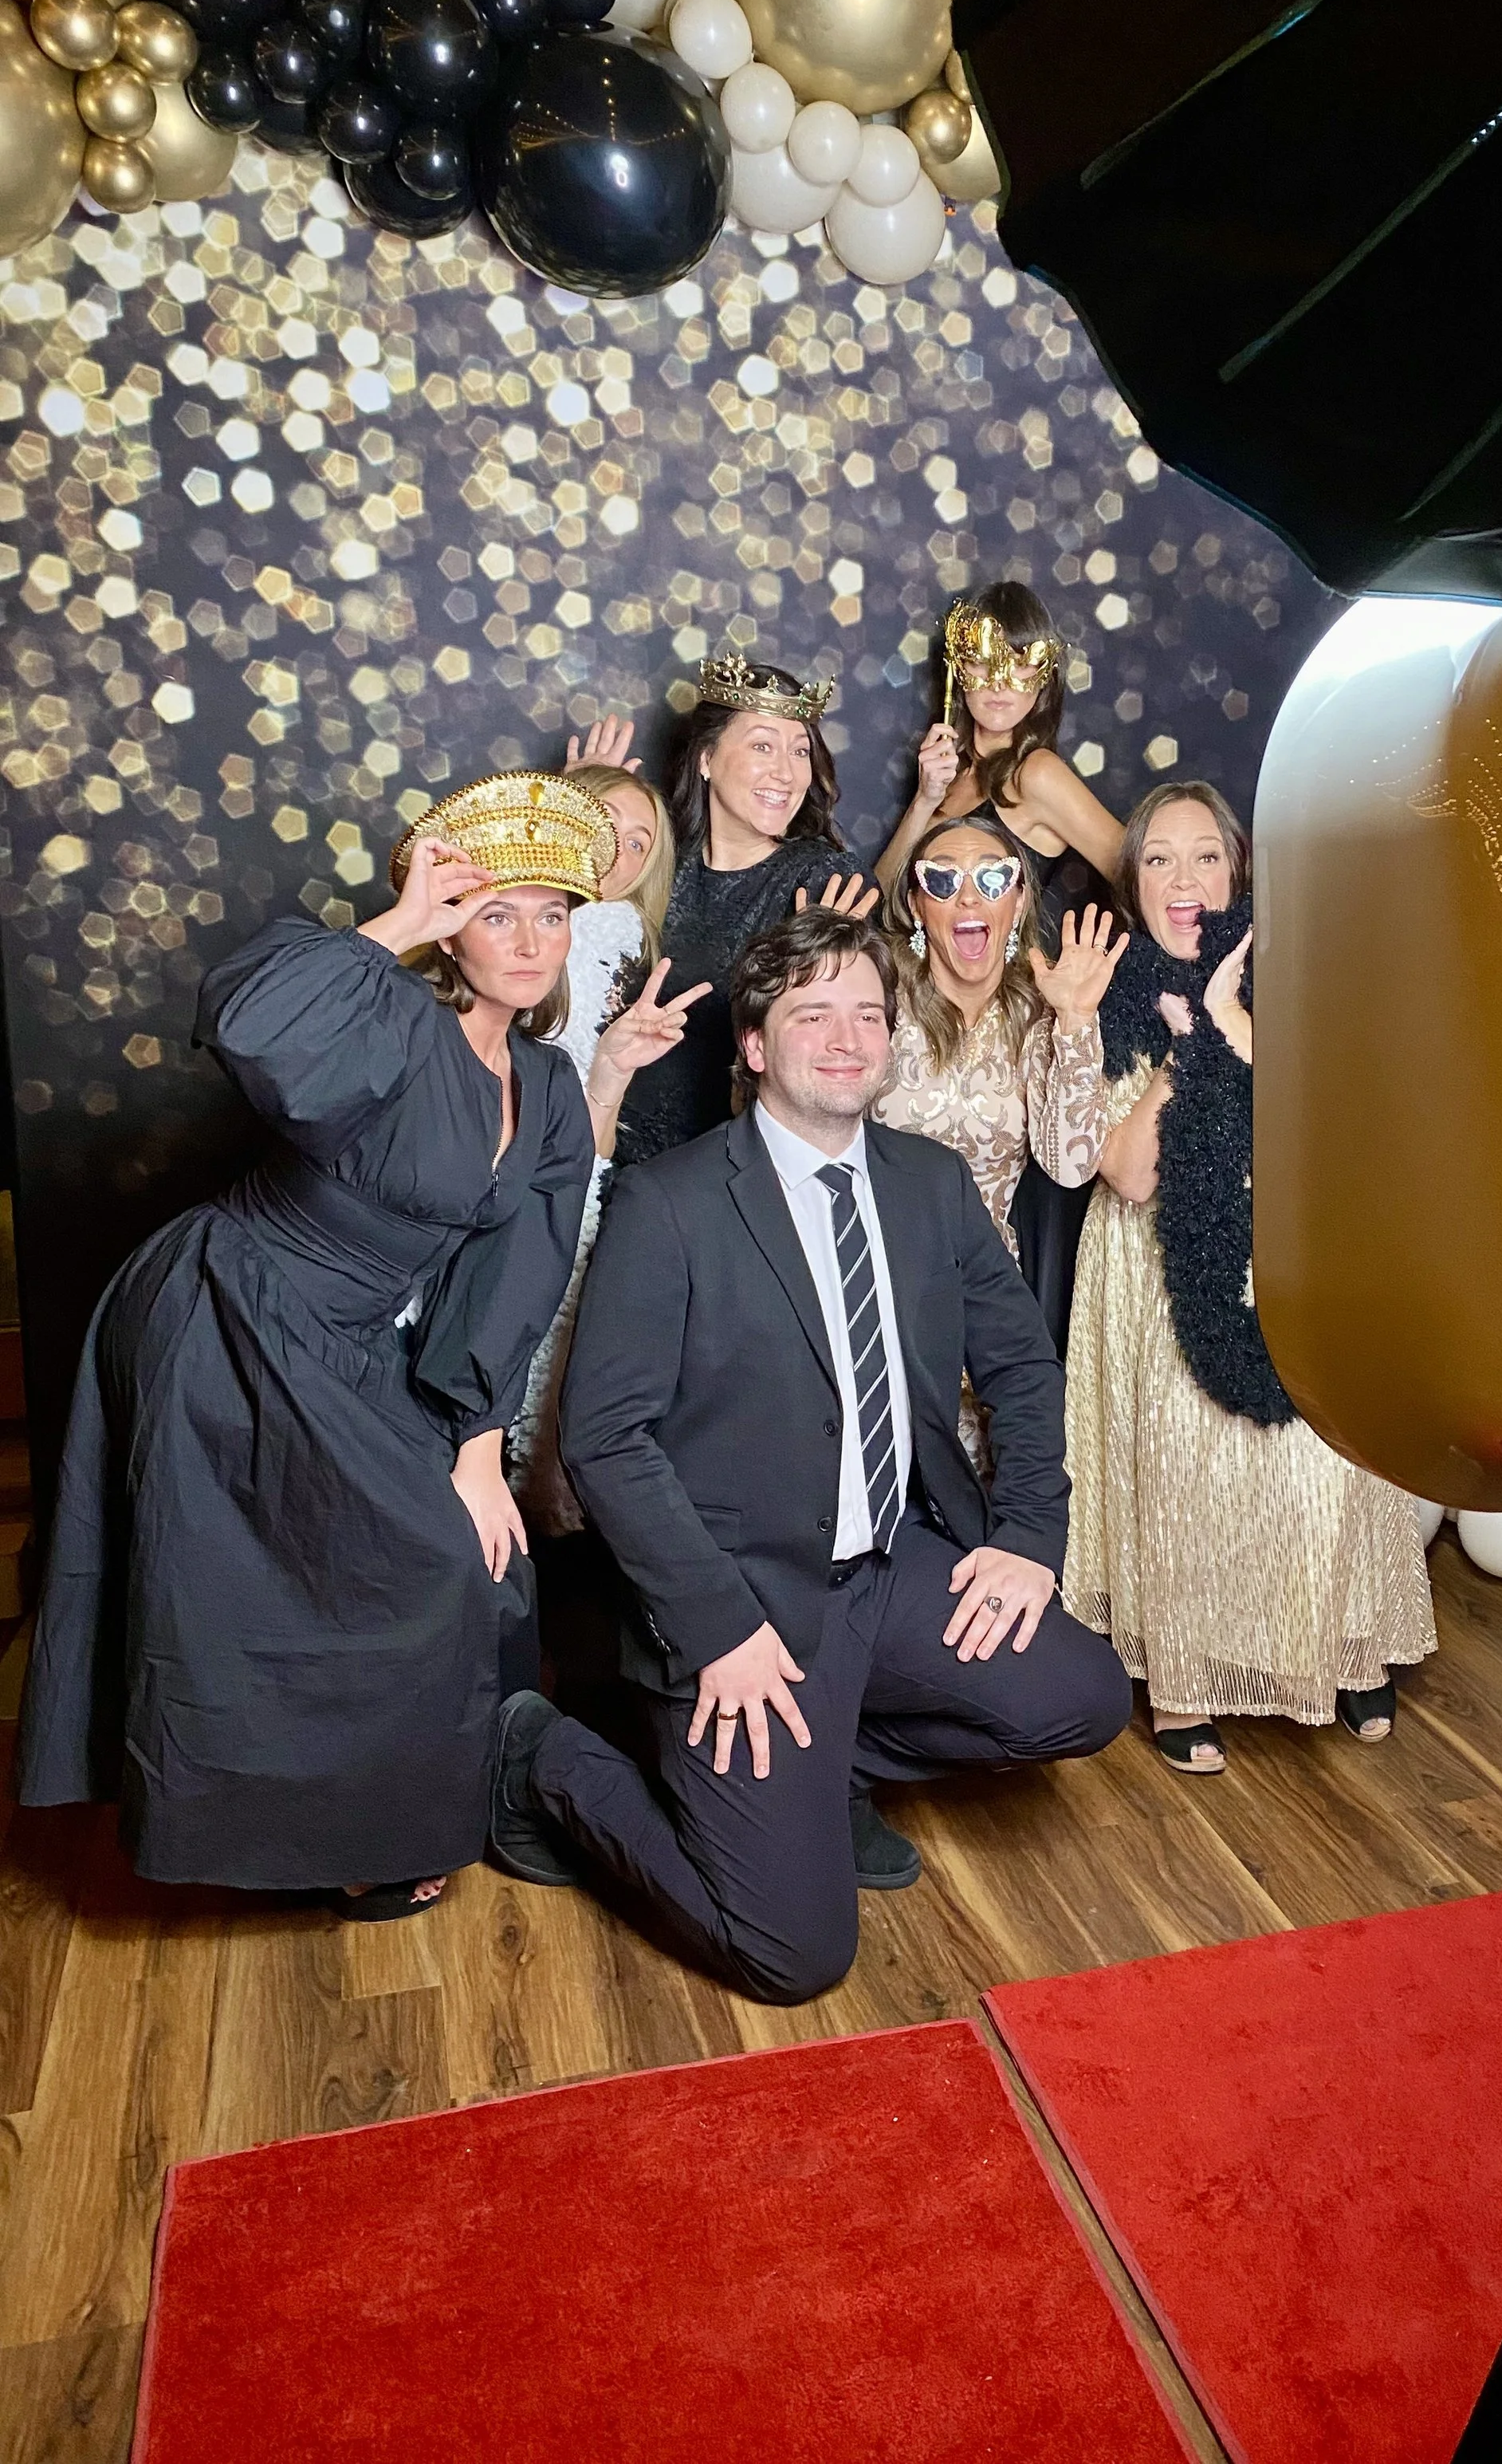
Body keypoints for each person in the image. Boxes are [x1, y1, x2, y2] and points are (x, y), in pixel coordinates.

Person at [487, 906, 1133, 2006]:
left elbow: (1023, 1368)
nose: (847, 1038)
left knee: (1083, 1695)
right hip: (741, 1604)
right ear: (753, 1045)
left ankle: (821, 1756)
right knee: (793, 1955)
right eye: (813, 1013)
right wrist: (718, 1631)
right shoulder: (673, 1200)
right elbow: (603, 1437)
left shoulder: (930, 1185)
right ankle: (538, 1754)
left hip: (890, 1565)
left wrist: (1028, 1535)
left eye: (869, 1015)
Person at [14, 773, 611, 1916]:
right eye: (498, 912)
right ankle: (298, 1834)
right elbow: (243, 1019)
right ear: (452, 930)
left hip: (346, 1334)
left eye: (551, 913)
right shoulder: (392, 1016)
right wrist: (393, 929)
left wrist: (477, 1445)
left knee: (456, 1557)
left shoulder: (546, 1082)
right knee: (238, 1588)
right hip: (227, 1306)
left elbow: (513, 1280)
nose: (529, 938)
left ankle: (382, 1808)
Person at [1063, 781, 1435, 1776]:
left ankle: (1345, 1648)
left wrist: (1229, 1010)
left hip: (1292, 1244)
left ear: (1238, 872)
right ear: (1132, 880)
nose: (1183, 881)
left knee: (1322, 1452)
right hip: (1155, 1264)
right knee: (1188, 1463)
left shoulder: (1300, 971)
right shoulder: (1103, 994)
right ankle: (1190, 1679)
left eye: (1205, 858)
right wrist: (1191, 1047)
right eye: (1158, 860)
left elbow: (1333, 1122)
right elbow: (1130, 1174)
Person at [878, 584, 1127, 1356]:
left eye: (1022, 663)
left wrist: (1103, 980)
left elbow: (1135, 868)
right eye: (983, 660)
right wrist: (923, 804)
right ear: (956, 667)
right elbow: (887, 903)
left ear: (1044, 679)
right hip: (935, 1020)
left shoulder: (1038, 773)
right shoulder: (952, 777)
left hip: (1016, 1026)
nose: (999, 680)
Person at [872, 817, 1121, 1471]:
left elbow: (1072, 1165)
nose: (968, 897)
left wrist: (1075, 1022)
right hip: (872, 1285)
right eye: (943, 878)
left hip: (983, 1299)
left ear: (1016, 903)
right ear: (917, 905)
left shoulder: (1038, 1017)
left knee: (977, 1506)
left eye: (992, 877)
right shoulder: (877, 1003)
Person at [509, 729, 706, 1538]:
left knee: (531, 1378)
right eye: (600, 829)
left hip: (559, 1178)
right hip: (516, 1178)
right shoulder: (541, 923)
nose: (617, 854)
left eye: (637, 844)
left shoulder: (614, 934)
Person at [612, 652, 878, 1163]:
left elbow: (833, 1048)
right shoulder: (656, 865)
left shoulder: (826, 884)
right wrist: (574, 814)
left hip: (734, 1174)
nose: (786, 772)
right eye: (762, 745)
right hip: (612, 1156)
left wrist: (825, 962)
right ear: (706, 759)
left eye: (800, 752)